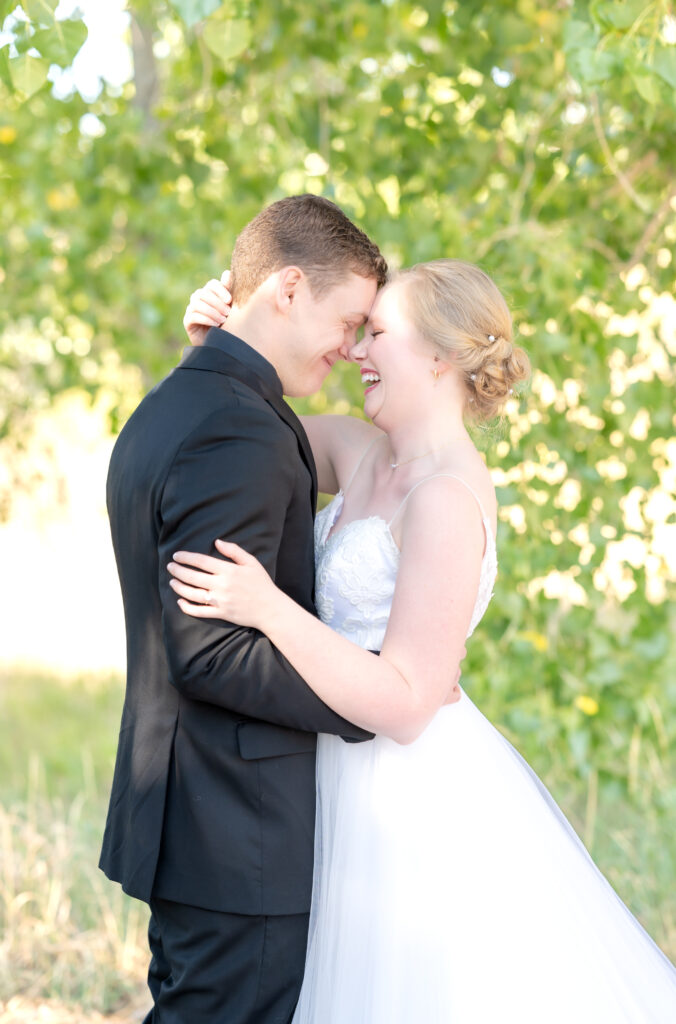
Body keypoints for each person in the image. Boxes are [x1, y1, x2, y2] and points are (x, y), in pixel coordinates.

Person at [175, 259, 676, 1022]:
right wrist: (213, 350)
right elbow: (230, 443)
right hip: (320, 767)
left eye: (377, 333)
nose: (355, 352)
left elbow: (408, 704)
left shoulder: (446, 496)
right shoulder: (357, 450)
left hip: (401, 799)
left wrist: (269, 609)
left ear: (441, 355)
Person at [99, 194, 390, 1024]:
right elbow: (211, 649)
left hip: (198, 816)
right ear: (289, 288)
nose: (352, 346)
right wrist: (365, 695)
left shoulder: (184, 403)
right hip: (238, 827)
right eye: (351, 319)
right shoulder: (239, 430)